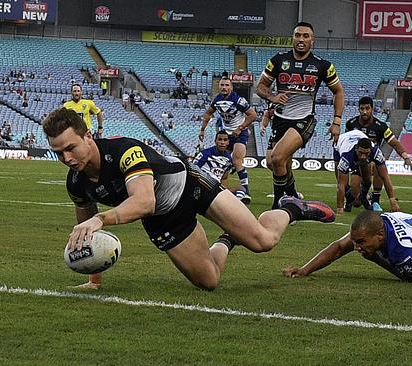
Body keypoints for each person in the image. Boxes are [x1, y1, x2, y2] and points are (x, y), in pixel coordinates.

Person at [44, 107, 336, 290]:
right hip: (163, 218)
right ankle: (226, 239)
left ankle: (291, 208)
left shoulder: (125, 152)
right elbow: (87, 233)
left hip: (190, 184)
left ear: (89, 137)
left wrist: (101, 218)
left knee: (263, 242)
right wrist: (94, 275)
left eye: (71, 148)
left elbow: (144, 201)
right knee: (209, 281)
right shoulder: (76, 182)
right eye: (59, 153)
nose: (66, 158)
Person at [256, 21, 344, 209]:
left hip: (304, 120)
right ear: (292, 38)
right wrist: (272, 96)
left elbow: (338, 92)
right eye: (297, 35)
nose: (301, 39)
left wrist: (336, 121)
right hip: (280, 119)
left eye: (305, 36)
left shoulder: (323, 65)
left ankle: (279, 207)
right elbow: (260, 87)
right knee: (274, 163)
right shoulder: (278, 60)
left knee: (278, 158)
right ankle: (293, 195)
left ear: (313, 40)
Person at [283, 207, 412, 283]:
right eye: (356, 242)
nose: (357, 247)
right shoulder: (376, 224)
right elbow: (340, 247)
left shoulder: (405, 250)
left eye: (361, 243)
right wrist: (305, 270)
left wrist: (375, 258)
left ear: (380, 235)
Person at [346, 96, 412, 207]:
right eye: (362, 109)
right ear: (358, 109)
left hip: (372, 161)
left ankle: (375, 199)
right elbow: (347, 143)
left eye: (367, 108)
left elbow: (394, 143)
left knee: (377, 164)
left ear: (372, 109)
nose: (364, 112)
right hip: (357, 163)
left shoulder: (381, 127)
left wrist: (405, 157)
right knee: (356, 202)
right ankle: (355, 195)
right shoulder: (351, 124)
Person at [198, 77, 257, 202]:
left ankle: (246, 192)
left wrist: (240, 128)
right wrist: (202, 129)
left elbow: (253, 115)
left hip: (240, 133)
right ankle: (223, 188)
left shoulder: (238, 100)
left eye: (226, 85)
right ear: (219, 86)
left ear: (231, 87)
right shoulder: (217, 100)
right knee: (225, 162)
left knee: (237, 161)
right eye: (222, 85)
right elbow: (208, 113)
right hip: (226, 134)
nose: (224, 87)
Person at [334, 130, 400, 214]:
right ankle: (348, 200)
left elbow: (385, 176)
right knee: (342, 181)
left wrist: (392, 200)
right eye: (361, 153)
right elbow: (341, 185)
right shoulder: (346, 156)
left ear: (370, 150)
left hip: (358, 138)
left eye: (366, 153)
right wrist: (339, 209)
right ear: (356, 149)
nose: (363, 156)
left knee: (367, 180)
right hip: (341, 142)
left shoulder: (376, 152)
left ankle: (363, 197)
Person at [192, 130, 249, 203]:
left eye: (225, 140)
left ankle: (232, 205)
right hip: (203, 185)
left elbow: (224, 178)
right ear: (215, 141)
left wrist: (224, 191)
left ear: (228, 142)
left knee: (241, 189)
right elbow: (193, 170)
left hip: (216, 189)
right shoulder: (205, 154)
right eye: (220, 139)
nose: (222, 142)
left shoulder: (228, 158)